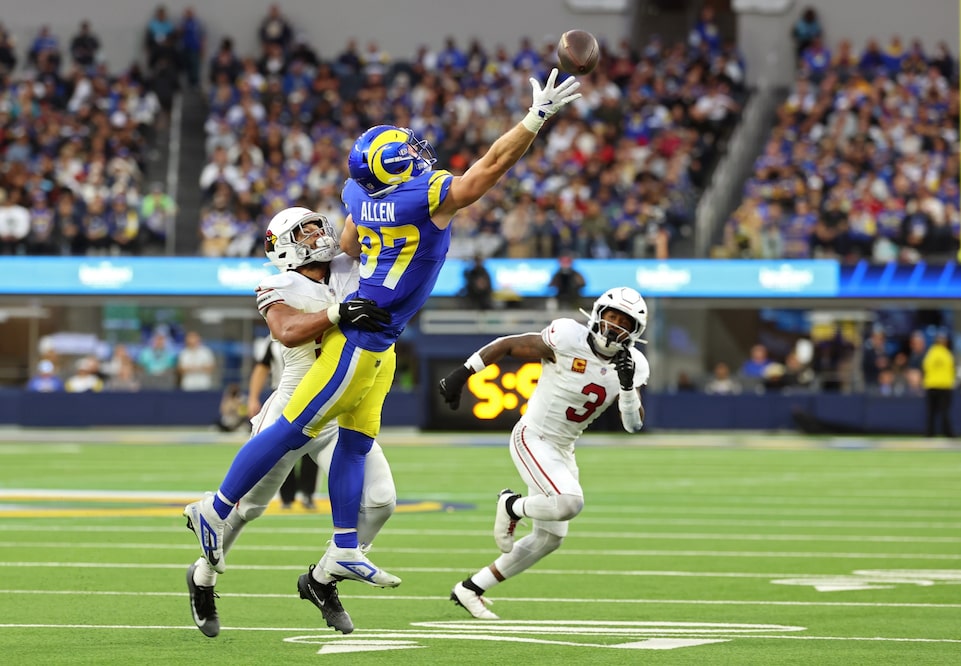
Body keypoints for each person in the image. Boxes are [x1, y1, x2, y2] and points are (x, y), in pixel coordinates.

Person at [183, 69, 582, 604]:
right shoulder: (300, 269)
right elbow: (490, 167)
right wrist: (537, 117)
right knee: (281, 451)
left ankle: (341, 551)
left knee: (361, 455)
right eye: (305, 233)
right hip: (338, 353)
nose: (320, 234)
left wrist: (365, 249)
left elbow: (351, 236)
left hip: (377, 343)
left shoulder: (353, 212)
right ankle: (214, 512)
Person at [186, 207, 398, 637]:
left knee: (380, 502)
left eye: (319, 226)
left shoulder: (345, 266)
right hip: (293, 407)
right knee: (245, 510)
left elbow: (355, 224)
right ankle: (203, 576)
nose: (320, 234)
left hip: (340, 411)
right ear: (281, 245)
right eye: (307, 231)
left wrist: (364, 191)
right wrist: (338, 313)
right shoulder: (277, 282)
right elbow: (286, 329)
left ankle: (322, 578)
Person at [438, 287, 649, 620]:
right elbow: (508, 344)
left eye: (625, 322)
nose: (615, 326)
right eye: (612, 316)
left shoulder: (633, 365)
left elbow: (633, 425)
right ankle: (510, 504)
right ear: (598, 313)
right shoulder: (567, 336)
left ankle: (470, 588)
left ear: (634, 331)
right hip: (533, 436)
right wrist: (462, 374)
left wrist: (626, 387)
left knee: (549, 538)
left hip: (563, 448)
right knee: (569, 502)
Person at [247, 335, 318, 510]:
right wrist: (253, 397)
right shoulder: (271, 341)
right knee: (281, 447)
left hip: (312, 393)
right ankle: (287, 497)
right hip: (282, 395)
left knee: (312, 444)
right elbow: (262, 367)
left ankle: (308, 494)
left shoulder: (315, 332)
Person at [922, 332, 956, 437]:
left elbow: (925, 367)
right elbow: (952, 369)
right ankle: (947, 433)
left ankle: (930, 433)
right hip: (944, 386)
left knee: (931, 412)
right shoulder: (947, 354)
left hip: (932, 385)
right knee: (944, 411)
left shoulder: (930, 353)